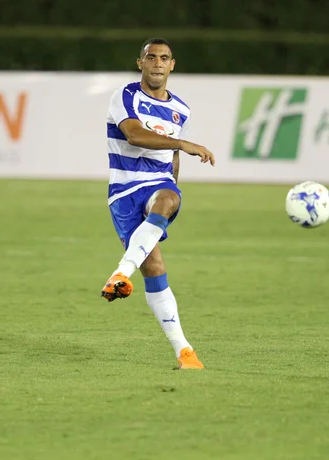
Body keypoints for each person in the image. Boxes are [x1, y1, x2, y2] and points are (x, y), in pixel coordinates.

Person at [100, 38, 215, 370]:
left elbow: (172, 158)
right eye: (151, 57)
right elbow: (134, 135)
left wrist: (173, 190)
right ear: (141, 63)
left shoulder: (182, 110)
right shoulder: (125, 96)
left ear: (172, 65)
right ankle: (182, 349)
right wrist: (184, 142)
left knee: (168, 197)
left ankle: (185, 352)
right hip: (123, 191)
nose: (157, 63)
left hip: (159, 185)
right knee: (154, 268)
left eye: (164, 58)